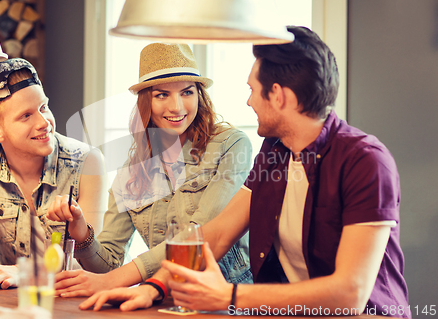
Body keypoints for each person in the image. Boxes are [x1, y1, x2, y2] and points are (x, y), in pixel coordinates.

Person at [78, 26, 411, 318]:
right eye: (162, 94)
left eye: (252, 89)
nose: (248, 102)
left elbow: (350, 294)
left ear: (278, 96)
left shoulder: (365, 161)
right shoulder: (275, 152)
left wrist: (229, 296)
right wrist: (153, 287)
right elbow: (217, 233)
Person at [54, 43, 253, 298]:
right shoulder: (132, 172)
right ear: (146, 101)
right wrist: (80, 230)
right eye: (162, 95)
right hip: (161, 299)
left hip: (228, 300)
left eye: (187, 92)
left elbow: (197, 235)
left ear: (200, 95)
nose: (177, 107)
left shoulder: (231, 145)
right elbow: (108, 266)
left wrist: (116, 280)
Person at [0, 58, 106, 289]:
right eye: (26, 116)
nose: (44, 122)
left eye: (43, 107)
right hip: (16, 302)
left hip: (81, 301)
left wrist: (25, 272)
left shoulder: (88, 162)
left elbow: (96, 261)